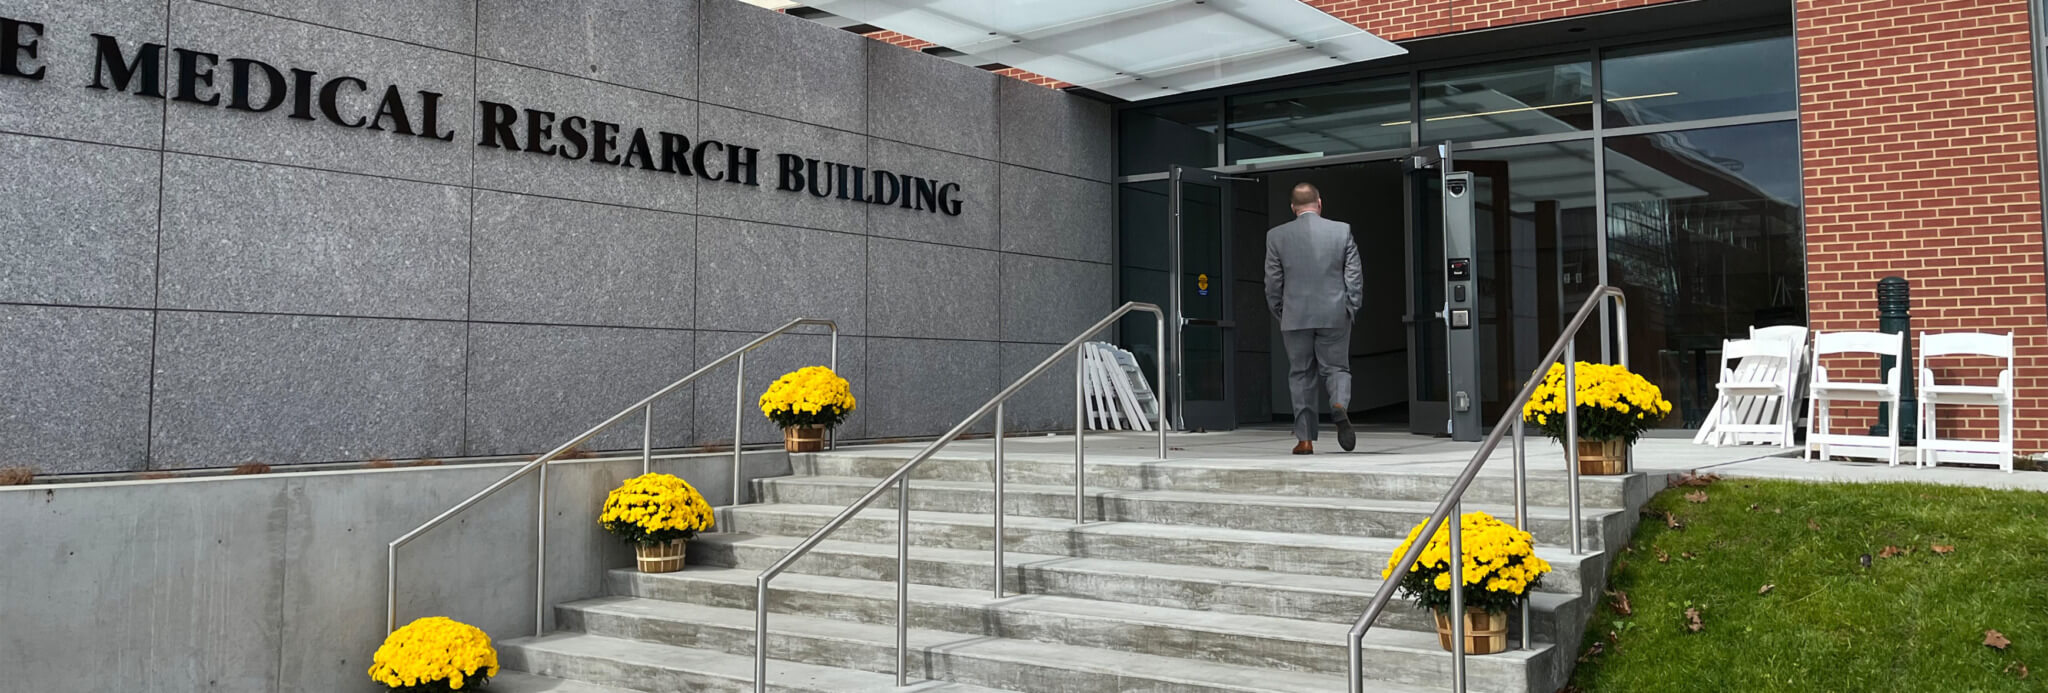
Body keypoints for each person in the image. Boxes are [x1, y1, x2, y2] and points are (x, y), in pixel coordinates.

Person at [1264, 182, 1363, 454]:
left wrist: (1281, 311)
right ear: (1319, 203)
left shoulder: (1276, 236)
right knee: (1337, 368)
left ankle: (1305, 439)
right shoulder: (1341, 231)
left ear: (1293, 207)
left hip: (1295, 316)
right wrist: (1351, 307)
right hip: (1334, 313)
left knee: (1301, 374)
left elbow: (1273, 282)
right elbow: (1353, 275)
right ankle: (1339, 404)